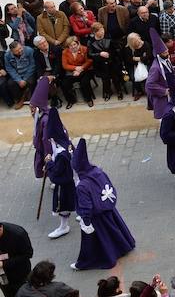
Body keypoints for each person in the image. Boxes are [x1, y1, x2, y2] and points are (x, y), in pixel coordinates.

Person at [70, 138, 135, 270]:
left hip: (96, 217)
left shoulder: (82, 186)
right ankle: (122, 247)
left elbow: (86, 206)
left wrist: (86, 221)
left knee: (93, 242)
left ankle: (86, 262)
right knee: (114, 231)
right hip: (109, 210)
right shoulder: (98, 172)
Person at [43, 108, 76, 240]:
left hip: (65, 182)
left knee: (62, 204)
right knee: (72, 201)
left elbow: (57, 171)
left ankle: (64, 227)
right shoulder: (63, 142)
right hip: (70, 178)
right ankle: (65, 225)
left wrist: (49, 163)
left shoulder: (62, 153)